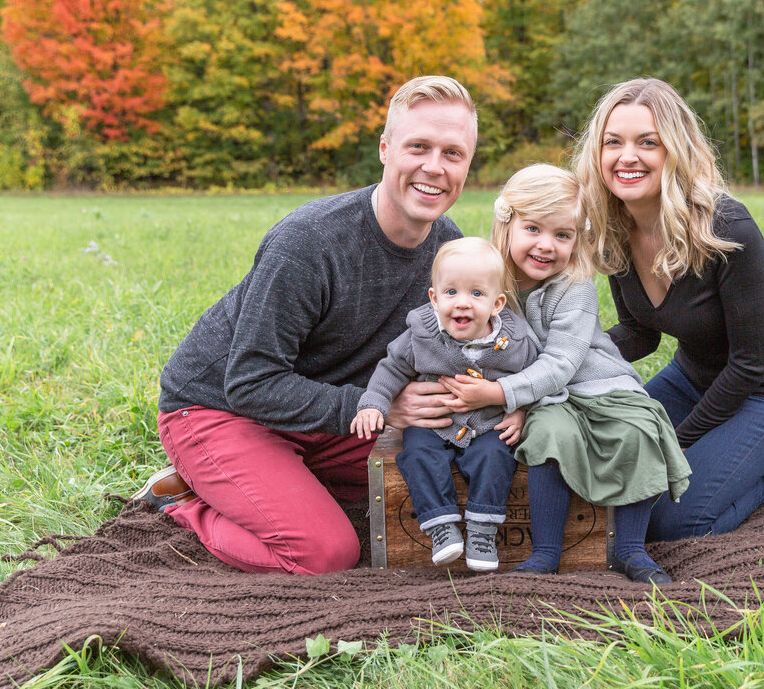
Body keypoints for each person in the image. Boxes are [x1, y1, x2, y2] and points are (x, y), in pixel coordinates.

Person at [133, 76, 526, 575]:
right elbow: (251, 382)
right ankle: (184, 502)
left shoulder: (447, 248)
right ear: (385, 149)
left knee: (440, 461)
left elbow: (464, 345)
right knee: (325, 553)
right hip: (220, 407)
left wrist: (508, 397)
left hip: (322, 407)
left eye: (453, 153)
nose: (434, 167)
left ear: (468, 166)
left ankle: (266, 483)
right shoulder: (309, 243)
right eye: (418, 147)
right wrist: (378, 406)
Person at [571, 77, 764, 543]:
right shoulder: (614, 225)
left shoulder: (726, 226)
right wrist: (565, 355)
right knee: (606, 471)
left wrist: (676, 440)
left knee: (672, 521)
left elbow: (750, 363)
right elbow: (641, 332)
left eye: (647, 142)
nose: (627, 156)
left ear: (675, 149)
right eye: (612, 142)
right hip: (695, 376)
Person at [441, 164, 691, 583]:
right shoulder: (483, 277)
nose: (546, 246)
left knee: (637, 430)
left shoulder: (574, 285)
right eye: (534, 229)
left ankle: (631, 550)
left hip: (596, 383)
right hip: (542, 396)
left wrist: (501, 395)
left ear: (578, 239)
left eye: (563, 235)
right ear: (507, 223)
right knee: (550, 434)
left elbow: (561, 364)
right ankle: (545, 554)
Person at [350, 238, 538, 570]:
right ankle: (441, 526)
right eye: (451, 293)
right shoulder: (420, 334)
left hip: (486, 422)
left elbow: (535, 378)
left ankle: (482, 528)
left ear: (497, 304)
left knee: (495, 455)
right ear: (435, 299)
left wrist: (521, 410)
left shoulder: (515, 342)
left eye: (477, 294)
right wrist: (373, 403)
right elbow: (392, 367)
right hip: (434, 422)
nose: (462, 303)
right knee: (418, 453)